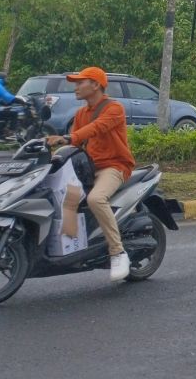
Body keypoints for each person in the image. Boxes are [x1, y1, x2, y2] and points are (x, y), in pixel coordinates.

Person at [45, 66, 135, 281]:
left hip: (114, 166)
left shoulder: (114, 108)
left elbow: (95, 129)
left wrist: (67, 138)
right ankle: (71, 248)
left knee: (95, 199)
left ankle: (118, 252)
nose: (75, 87)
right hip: (88, 167)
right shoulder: (80, 113)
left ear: (95, 85)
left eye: (80, 83)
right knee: (61, 196)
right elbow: (78, 144)